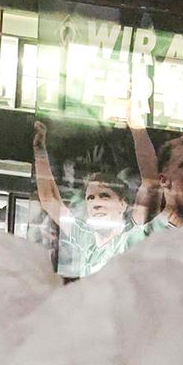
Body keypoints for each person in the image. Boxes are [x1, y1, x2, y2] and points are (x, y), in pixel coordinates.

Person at [31, 120, 152, 280]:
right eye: (91, 198)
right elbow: (49, 200)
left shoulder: (129, 238)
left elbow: (150, 184)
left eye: (105, 196)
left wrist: (136, 123)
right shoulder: (86, 239)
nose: (97, 203)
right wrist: (39, 151)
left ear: (122, 204)